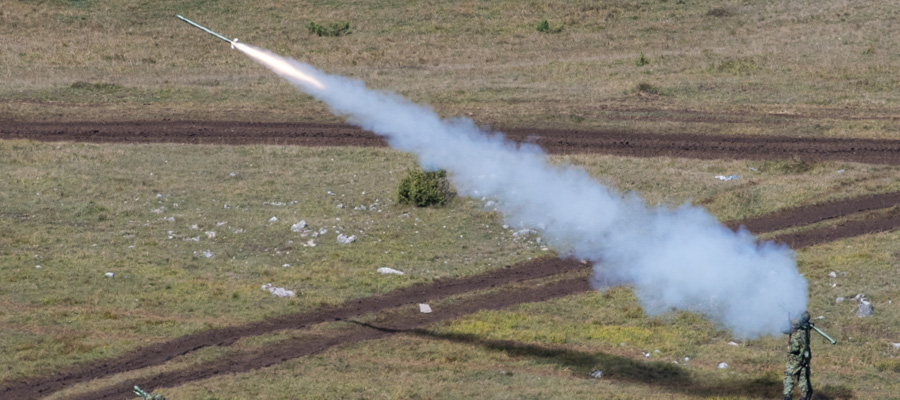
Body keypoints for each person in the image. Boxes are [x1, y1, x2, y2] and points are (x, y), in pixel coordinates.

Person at [783, 311, 812, 400]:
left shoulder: (797, 334)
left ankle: (787, 397)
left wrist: (788, 345)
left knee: (788, 376)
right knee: (803, 377)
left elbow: (794, 349)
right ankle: (805, 396)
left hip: (796, 359)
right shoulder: (805, 330)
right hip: (804, 357)